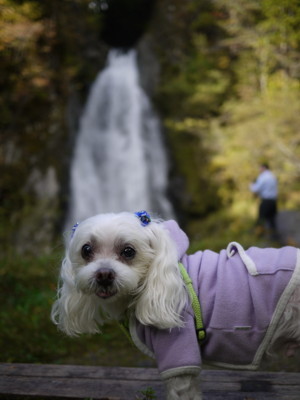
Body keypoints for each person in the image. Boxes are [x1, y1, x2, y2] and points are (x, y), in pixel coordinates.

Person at [250, 163, 278, 238]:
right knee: (272, 220)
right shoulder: (273, 176)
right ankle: (274, 237)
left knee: (261, 219)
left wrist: (252, 184)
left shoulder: (263, 177)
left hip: (265, 201)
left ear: (263, 168)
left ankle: (259, 236)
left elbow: (256, 189)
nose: (259, 170)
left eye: (260, 168)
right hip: (273, 201)